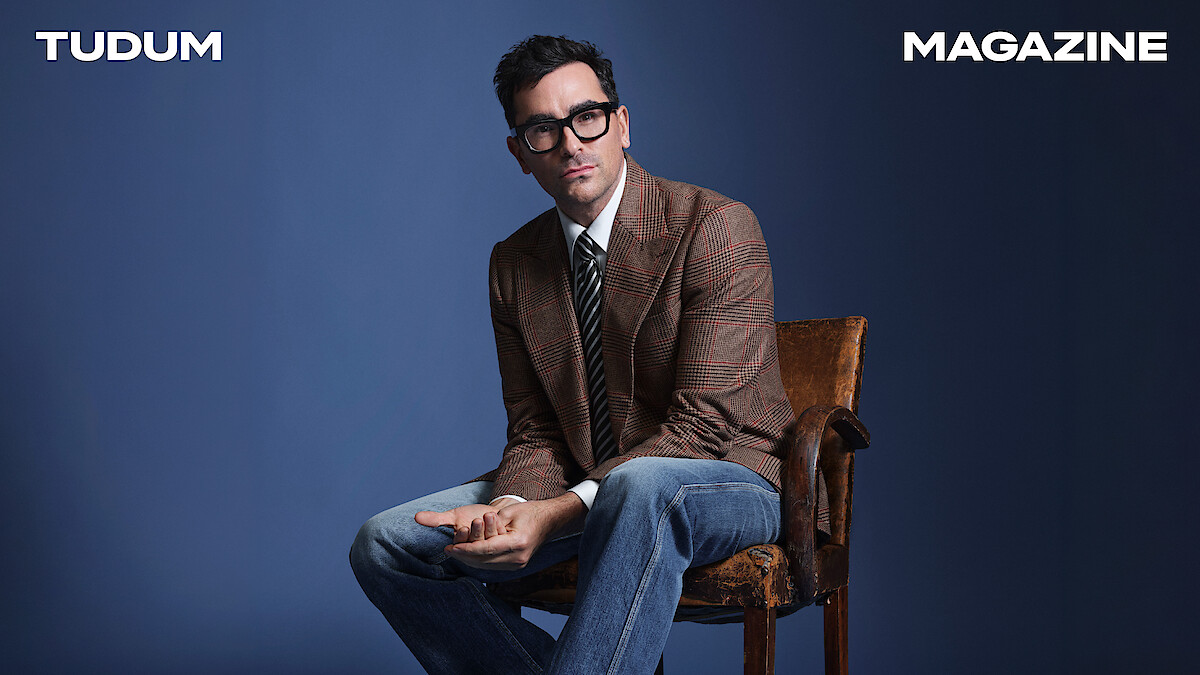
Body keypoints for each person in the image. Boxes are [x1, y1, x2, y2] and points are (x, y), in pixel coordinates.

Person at [351, 35, 799, 674]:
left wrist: (553, 513)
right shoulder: (514, 263)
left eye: (586, 117)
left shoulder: (715, 225)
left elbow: (704, 427)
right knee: (385, 544)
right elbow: (535, 429)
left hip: (729, 477)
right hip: (590, 481)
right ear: (519, 154)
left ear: (621, 124)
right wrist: (512, 506)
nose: (570, 144)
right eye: (543, 129)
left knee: (640, 489)